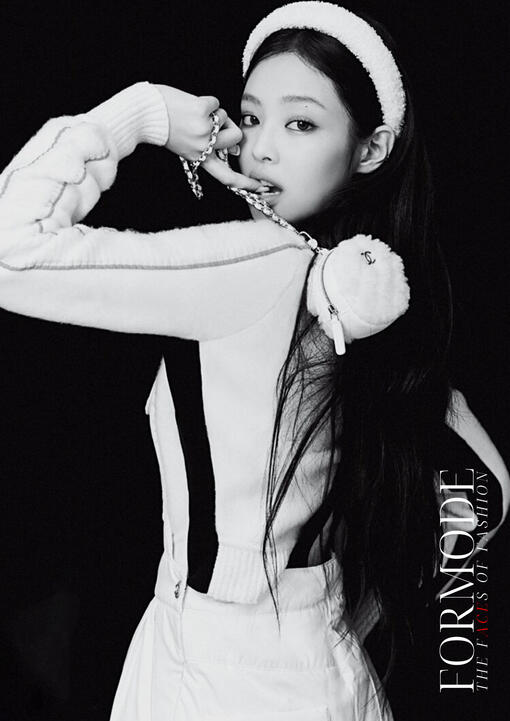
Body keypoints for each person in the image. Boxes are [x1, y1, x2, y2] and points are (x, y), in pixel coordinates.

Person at [0, 2, 508, 719]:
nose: (261, 148)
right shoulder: (355, 278)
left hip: (223, 672)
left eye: (301, 124)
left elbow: (10, 251)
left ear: (371, 148)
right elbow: (484, 485)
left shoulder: (259, 264)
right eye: (252, 117)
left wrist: (144, 114)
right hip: (298, 662)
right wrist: (343, 618)